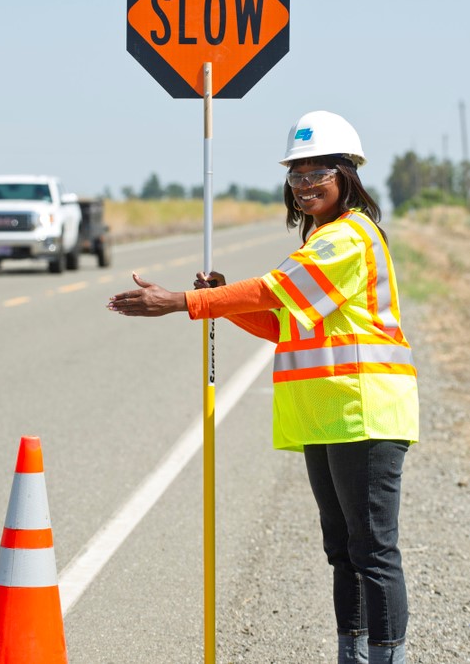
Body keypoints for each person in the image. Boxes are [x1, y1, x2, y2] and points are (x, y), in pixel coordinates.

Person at [107, 110, 419, 664]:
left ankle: (385, 657)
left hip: (365, 410)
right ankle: (353, 653)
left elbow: (277, 287)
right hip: (327, 413)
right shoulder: (321, 239)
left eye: (316, 172)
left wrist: (184, 301)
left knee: (372, 551)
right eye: (295, 176)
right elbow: (281, 320)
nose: (304, 185)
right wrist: (224, 307)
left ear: (347, 174)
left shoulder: (349, 237)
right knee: (343, 552)